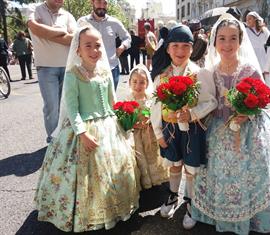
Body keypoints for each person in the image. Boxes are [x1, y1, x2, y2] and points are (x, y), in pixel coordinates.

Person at [191, 13, 270, 235]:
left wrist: (247, 114)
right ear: (214, 41)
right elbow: (208, 102)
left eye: (233, 38)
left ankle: (252, 215)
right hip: (219, 126)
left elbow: (261, 102)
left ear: (240, 41)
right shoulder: (210, 72)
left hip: (250, 127)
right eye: (222, 38)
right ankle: (220, 213)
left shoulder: (250, 69)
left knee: (252, 169)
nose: (227, 44)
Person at [34, 26, 140, 232]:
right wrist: (82, 133)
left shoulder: (105, 72)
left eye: (97, 46)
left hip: (109, 127)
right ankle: (84, 212)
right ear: (78, 51)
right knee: (85, 175)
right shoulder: (73, 75)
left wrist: (125, 119)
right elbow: (73, 110)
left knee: (114, 168)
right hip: (83, 129)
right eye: (88, 46)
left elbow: (112, 102)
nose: (94, 50)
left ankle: (112, 207)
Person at [150, 25, 217, 230]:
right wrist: (158, 132)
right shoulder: (162, 77)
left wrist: (193, 114)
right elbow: (155, 106)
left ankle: (191, 202)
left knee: (191, 168)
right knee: (174, 164)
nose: (180, 51)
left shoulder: (199, 73)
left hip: (192, 130)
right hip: (170, 129)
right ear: (168, 49)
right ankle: (172, 196)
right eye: (175, 46)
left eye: (185, 46)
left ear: (192, 48)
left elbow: (212, 101)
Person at [27, 0, 77, 143]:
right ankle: (53, 141)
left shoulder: (67, 15)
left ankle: (63, 138)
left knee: (65, 106)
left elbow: (73, 39)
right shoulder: (34, 8)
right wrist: (62, 32)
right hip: (46, 67)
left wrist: (46, 32)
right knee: (52, 107)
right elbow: (35, 29)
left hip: (67, 67)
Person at [120, 64, 169, 189]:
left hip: (149, 133)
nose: (138, 86)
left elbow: (155, 114)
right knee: (140, 157)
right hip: (136, 135)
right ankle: (143, 180)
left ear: (147, 83)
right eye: (135, 82)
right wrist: (133, 123)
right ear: (129, 82)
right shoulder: (128, 99)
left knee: (152, 155)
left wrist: (150, 121)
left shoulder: (150, 99)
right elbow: (124, 120)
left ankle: (156, 178)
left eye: (142, 82)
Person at [77, 0, 131, 90]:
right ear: (92, 2)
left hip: (111, 69)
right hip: (88, 70)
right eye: (99, 2)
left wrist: (122, 48)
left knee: (110, 102)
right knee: (91, 102)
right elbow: (75, 42)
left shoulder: (115, 23)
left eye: (105, 3)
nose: (102, 6)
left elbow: (127, 38)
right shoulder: (82, 22)